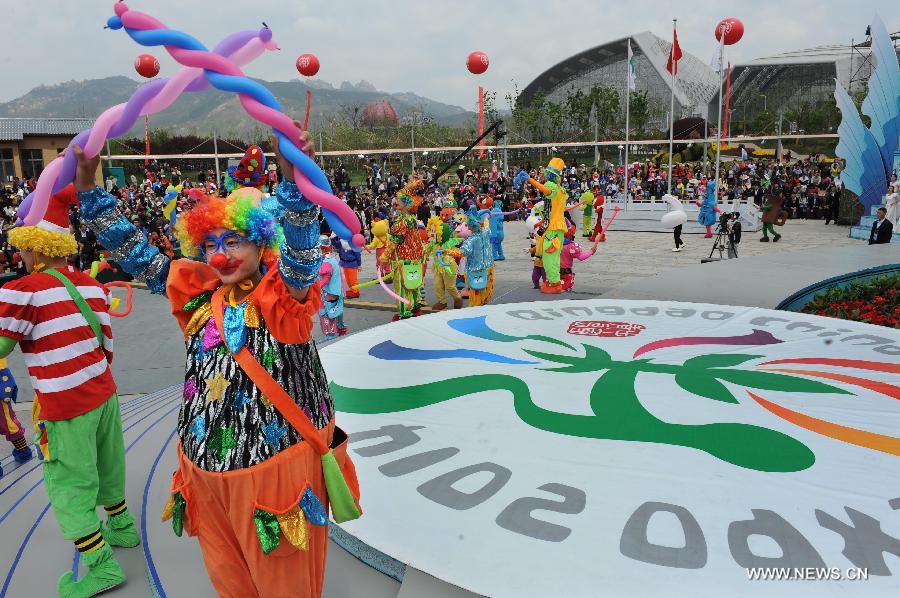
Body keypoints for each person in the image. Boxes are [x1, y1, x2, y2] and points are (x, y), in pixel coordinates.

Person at [72, 128, 361, 597]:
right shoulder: (200, 298)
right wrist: (90, 191)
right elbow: (136, 254)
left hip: (275, 475)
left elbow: (304, 255)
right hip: (203, 472)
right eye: (211, 244)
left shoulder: (282, 296)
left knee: (285, 586)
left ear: (263, 244)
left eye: (236, 241)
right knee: (230, 585)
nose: (221, 255)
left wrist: (292, 183)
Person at [0, 184, 138, 597]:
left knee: (69, 483)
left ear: (37, 249)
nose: (20, 257)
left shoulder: (22, 292)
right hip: (104, 392)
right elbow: (107, 346)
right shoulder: (94, 288)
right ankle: (122, 527)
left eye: (24, 249)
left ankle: (101, 567)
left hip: (64, 406)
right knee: (109, 463)